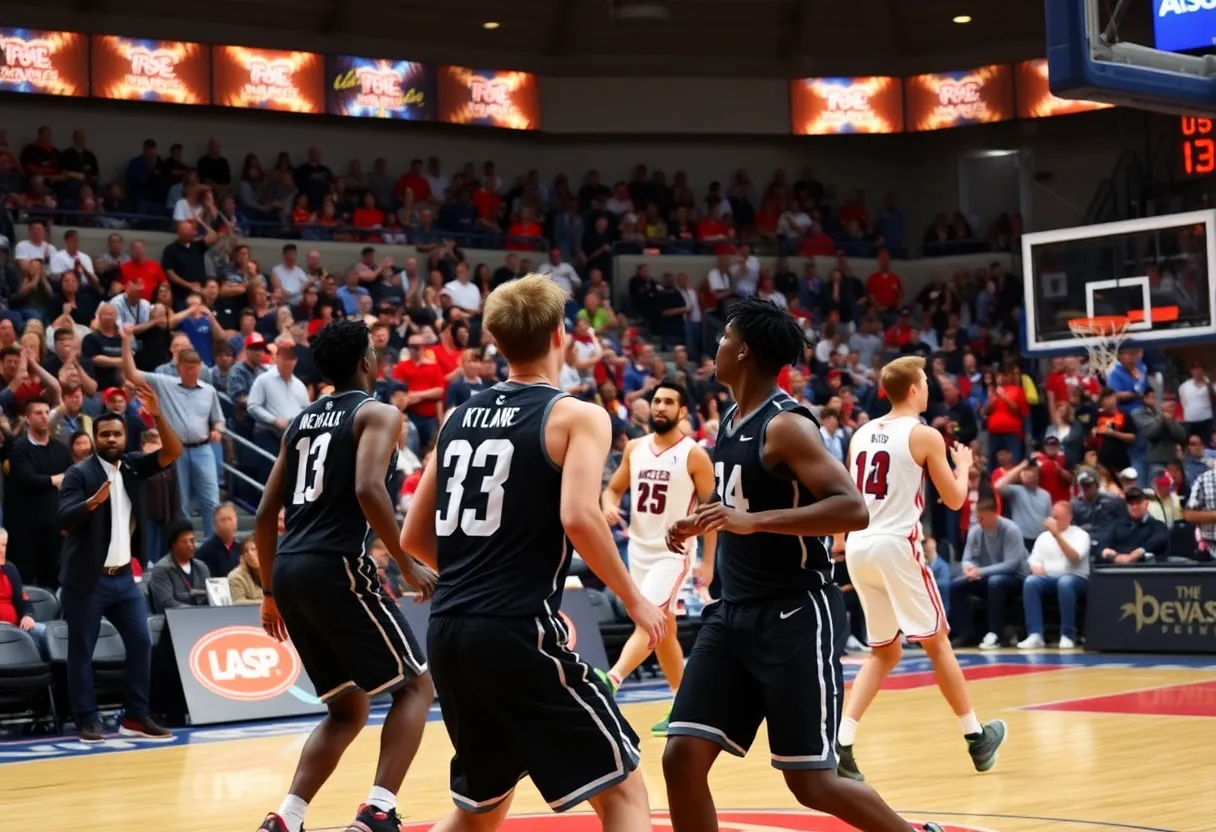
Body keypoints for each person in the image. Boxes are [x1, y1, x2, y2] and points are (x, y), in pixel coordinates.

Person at [662, 299, 945, 832]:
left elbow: (852, 508)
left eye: (724, 338)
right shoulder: (730, 419)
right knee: (680, 758)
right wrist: (704, 520)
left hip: (793, 615)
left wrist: (753, 522)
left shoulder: (786, 425)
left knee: (811, 782)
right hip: (731, 613)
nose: (716, 346)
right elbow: (743, 503)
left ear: (743, 350)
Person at [400, 275, 664, 831]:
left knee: (482, 809)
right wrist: (635, 599)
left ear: (495, 339)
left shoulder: (454, 418)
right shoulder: (577, 415)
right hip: (516, 630)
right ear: (559, 334)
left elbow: (413, 539)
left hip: (448, 630)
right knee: (623, 791)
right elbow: (579, 516)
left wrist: (477, 576)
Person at [253, 318, 437, 832]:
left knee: (346, 710)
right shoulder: (378, 413)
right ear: (366, 362)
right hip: (337, 565)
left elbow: (266, 513)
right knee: (416, 687)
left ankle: (287, 817)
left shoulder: (301, 421)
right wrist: (404, 561)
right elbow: (367, 488)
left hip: (289, 569)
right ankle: (379, 809)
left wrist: (269, 591)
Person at [835, 355, 1007, 783]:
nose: (929, 387)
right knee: (937, 641)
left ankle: (842, 740)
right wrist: (964, 465)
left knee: (885, 651)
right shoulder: (924, 435)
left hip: (859, 546)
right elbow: (952, 500)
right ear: (913, 388)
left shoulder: (860, 434)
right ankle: (975, 737)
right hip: (896, 544)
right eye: (926, 381)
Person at [57, 384, 182, 743]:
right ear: (95, 439)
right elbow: (64, 518)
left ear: (126, 436)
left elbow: (173, 451)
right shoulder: (79, 475)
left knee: (141, 643)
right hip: (87, 579)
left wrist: (157, 414)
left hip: (124, 578)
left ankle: (136, 717)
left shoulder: (132, 466)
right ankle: (87, 719)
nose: (111, 439)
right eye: (104, 434)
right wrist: (92, 504)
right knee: (82, 650)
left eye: (117, 433)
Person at [600, 379, 717, 735]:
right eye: (656, 401)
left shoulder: (695, 454)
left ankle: (610, 681)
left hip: (673, 553)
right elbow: (613, 488)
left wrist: (708, 563)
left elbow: (712, 512)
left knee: (648, 621)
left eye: (668, 402)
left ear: (682, 412)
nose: (659, 407)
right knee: (664, 630)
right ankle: (684, 707)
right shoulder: (635, 447)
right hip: (638, 550)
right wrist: (609, 505)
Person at [1017, 501, 1090, 650]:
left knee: (1065, 583)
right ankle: (1035, 634)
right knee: (1031, 582)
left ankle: (1068, 635)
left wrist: (1057, 535)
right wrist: (1036, 568)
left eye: (1058, 517)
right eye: (1053, 516)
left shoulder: (1081, 535)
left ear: (1069, 518)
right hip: (1049, 578)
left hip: (1076, 578)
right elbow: (1034, 561)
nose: (1053, 520)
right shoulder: (1044, 537)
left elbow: (1074, 559)